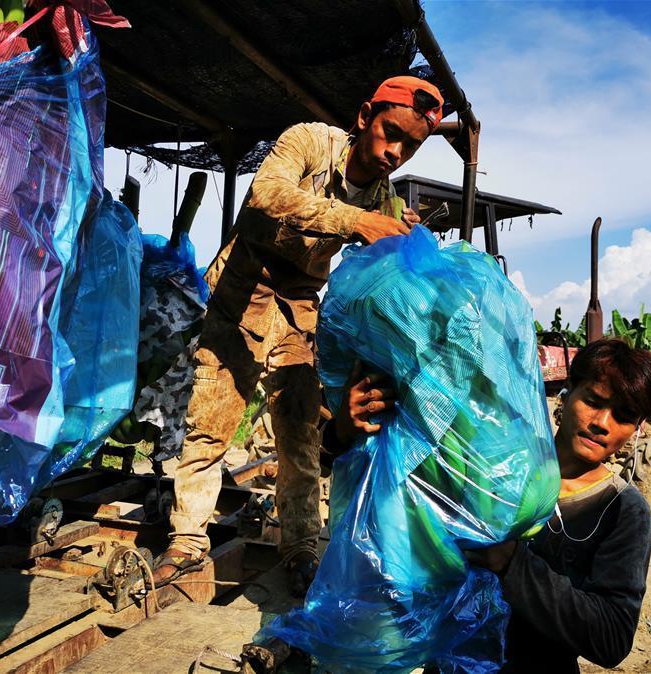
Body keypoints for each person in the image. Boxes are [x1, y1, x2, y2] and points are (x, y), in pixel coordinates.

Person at [152, 76, 444, 597]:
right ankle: (187, 541)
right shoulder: (309, 140)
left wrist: (403, 241)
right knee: (211, 425)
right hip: (242, 292)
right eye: (390, 133)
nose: (395, 153)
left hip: (300, 309)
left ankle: (301, 547)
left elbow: (382, 276)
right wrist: (356, 221)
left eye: (411, 146)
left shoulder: (386, 200)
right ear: (364, 117)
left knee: (299, 432)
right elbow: (265, 194)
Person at [325, 338, 651, 672]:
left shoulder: (622, 509)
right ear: (568, 392)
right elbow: (387, 479)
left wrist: (512, 565)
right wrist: (342, 431)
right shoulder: (495, 457)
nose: (602, 424)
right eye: (593, 401)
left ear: (637, 428)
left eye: (623, 416)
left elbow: (612, 637)